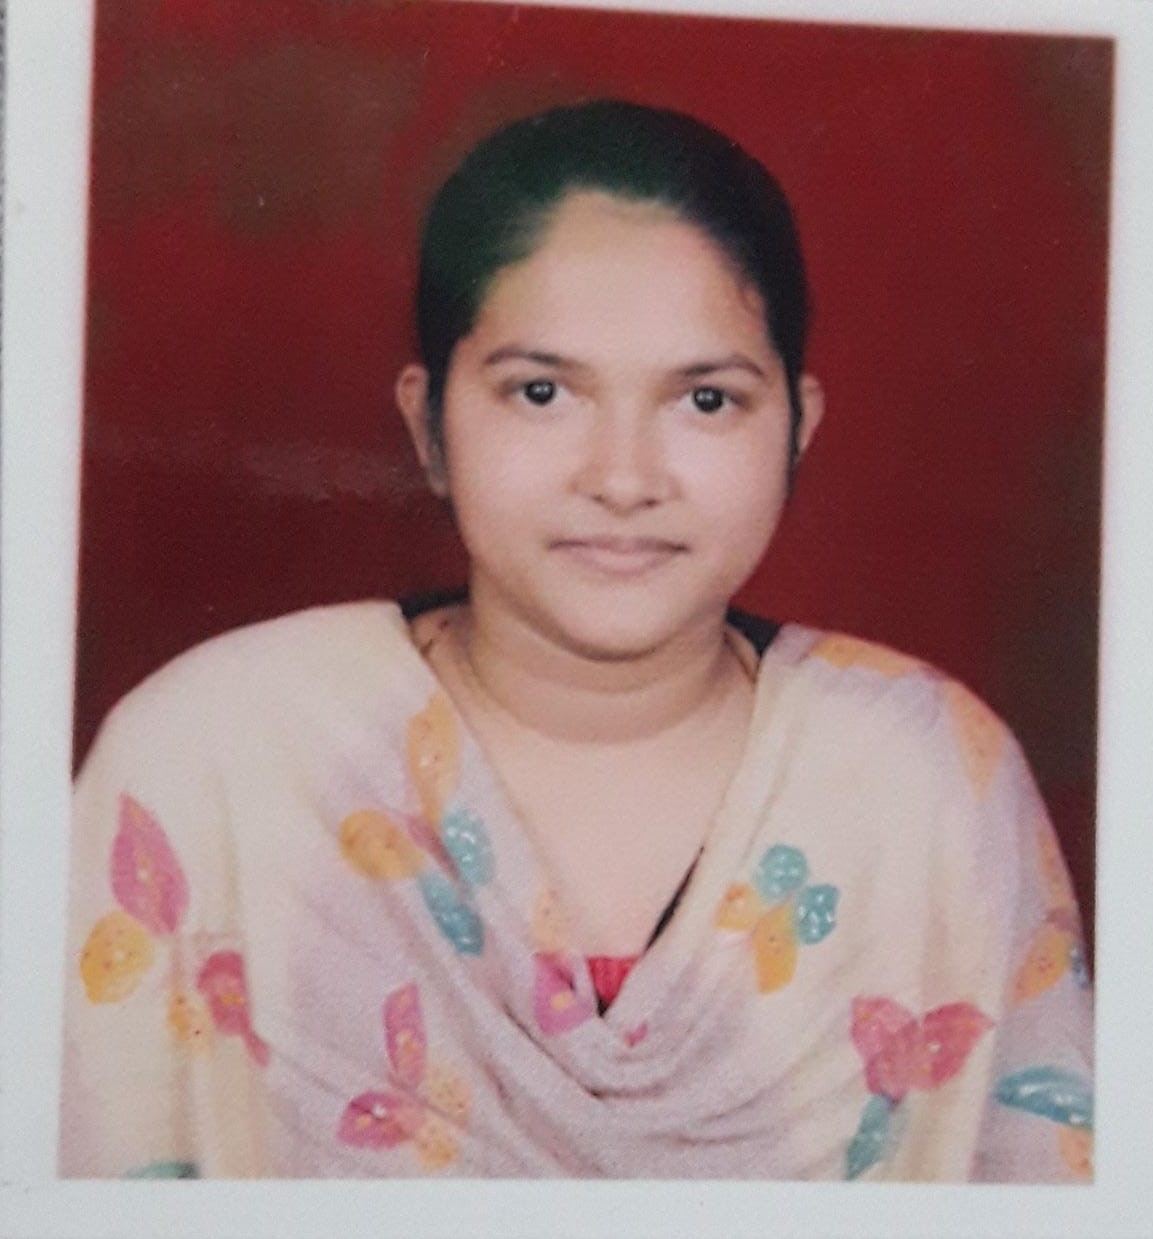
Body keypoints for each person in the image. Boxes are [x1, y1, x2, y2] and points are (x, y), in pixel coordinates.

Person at [60, 100, 1093, 1180]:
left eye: (706, 399)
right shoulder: (218, 757)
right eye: (542, 392)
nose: (623, 478)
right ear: (428, 425)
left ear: (798, 426)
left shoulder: (923, 776)